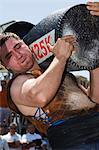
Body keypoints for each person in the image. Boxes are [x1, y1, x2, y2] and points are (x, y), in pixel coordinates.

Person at [0, 1, 99, 149]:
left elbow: (95, 98)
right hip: (74, 142)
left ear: (26, 44)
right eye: (9, 56)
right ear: (5, 66)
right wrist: (60, 58)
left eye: (18, 46)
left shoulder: (61, 73)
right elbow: (40, 95)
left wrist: (93, 56)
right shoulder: (16, 86)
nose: (18, 55)